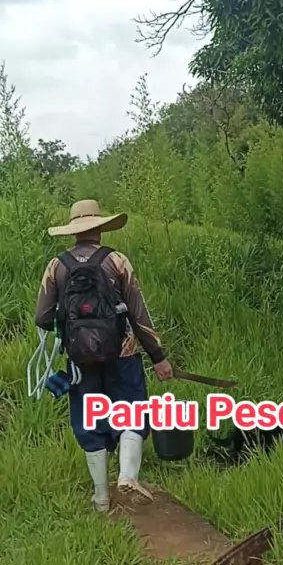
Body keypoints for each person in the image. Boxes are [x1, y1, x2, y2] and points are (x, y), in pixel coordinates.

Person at [34, 198, 173, 513]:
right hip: (123, 352)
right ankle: (127, 476)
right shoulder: (117, 261)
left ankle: (101, 499)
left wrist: (73, 325)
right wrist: (158, 356)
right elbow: (139, 314)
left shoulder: (57, 266)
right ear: (99, 228)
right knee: (131, 412)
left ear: (74, 231)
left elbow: (42, 317)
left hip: (80, 359)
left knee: (88, 420)